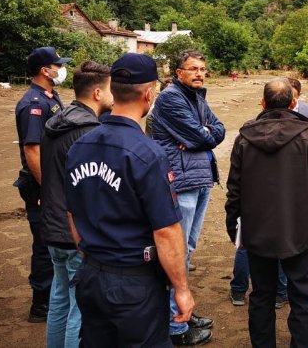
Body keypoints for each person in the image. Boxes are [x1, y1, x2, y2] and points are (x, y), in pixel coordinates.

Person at [65, 53, 207, 347]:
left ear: (112, 91)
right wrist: (181, 288)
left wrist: (90, 256)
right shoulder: (148, 153)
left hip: (90, 274)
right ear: (149, 94)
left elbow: (72, 213)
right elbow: (166, 231)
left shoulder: (80, 145)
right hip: (133, 283)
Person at [225, 78, 308, 348]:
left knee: (261, 295)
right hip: (300, 232)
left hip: (258, 232)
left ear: (263, 103)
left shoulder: (244, 137)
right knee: (303, 299)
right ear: (294, 103)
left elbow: (234, 189)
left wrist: (234, 227)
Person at [150, 50, 224, 344]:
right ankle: (175, 327)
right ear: (178, 72)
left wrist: (198, 135)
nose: (199, 73)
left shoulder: (197, 97)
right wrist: (198, 135)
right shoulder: (170, 98)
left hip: (199, 177)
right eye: (192, 69)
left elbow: (216, 131)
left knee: (188, 250)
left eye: (203, 69)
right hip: (180, 182)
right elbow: (202, 137)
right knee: (176, 253)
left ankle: (181, 311)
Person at [40, 61, 113, 348]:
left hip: (52, 226)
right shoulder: (89, 132)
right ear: (97, 93)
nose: (113, 96)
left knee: (59, 298)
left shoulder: (56, 122)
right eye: (110, 90)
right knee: (80, 308)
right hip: (74, 233)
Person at [14, 46, 71, 322]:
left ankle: (52, 297)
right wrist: (48, 189)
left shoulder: (50, 96)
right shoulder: (33, 104)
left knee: (52, 241)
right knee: (44, 244)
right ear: (44, 70)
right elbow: (32, 151)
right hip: (41, 186)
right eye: (57, 65)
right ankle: (41, 303)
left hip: (51, 182)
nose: (61, 69)